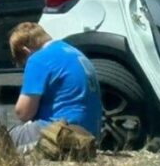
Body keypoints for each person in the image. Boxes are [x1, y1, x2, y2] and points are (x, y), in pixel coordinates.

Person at [8, 22, 102, 152]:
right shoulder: (73, 52)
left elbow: (23, 112)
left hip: (61, 132)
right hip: (90, 133)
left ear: (26, 51)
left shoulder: (37, 59)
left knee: (2, 139)